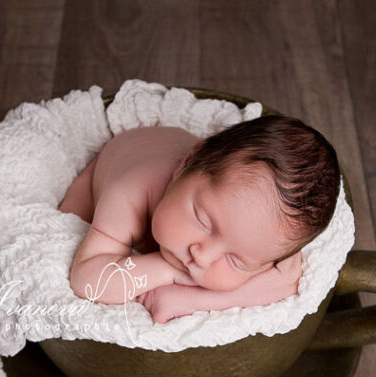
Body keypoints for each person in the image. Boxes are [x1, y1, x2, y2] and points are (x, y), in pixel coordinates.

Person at [61, 115, 339, 323]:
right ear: (187, 163)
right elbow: (87, 279)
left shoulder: (267, 232)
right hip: (118, 159)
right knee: (66, 223)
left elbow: (288, 280)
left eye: (236, 260)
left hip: (210, 169)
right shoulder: (129, 193)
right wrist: (167, 270)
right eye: (204, 221)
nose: (202, 257)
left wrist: (192, 299)